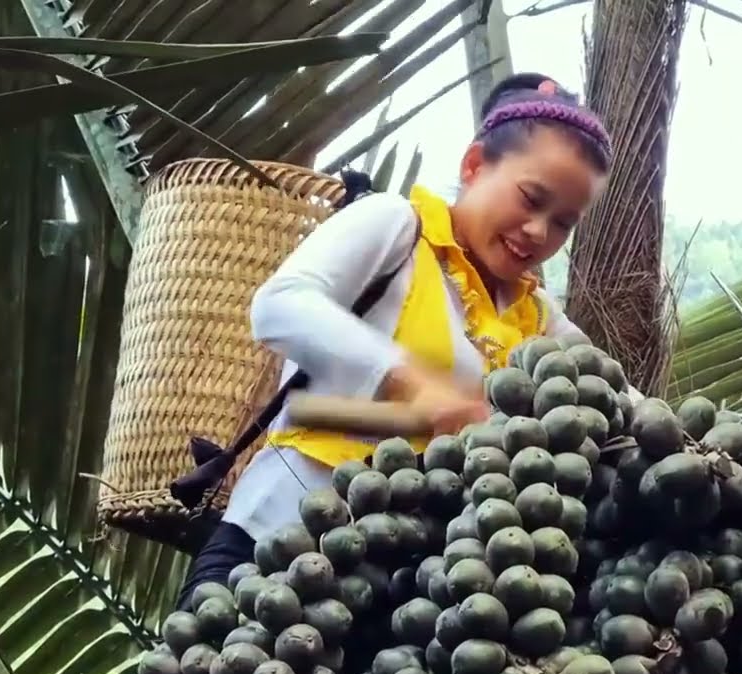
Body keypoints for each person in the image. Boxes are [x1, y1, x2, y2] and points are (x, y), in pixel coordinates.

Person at [175, 72, 615, 609]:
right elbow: (279, 304)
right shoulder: (396, 227)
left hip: (398, 595)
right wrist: (410, 383)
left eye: (563, 223)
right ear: (475, 166)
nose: (538, 232)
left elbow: (612, 397)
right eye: (530, 199)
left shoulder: (539, 320)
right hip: (274, 540)